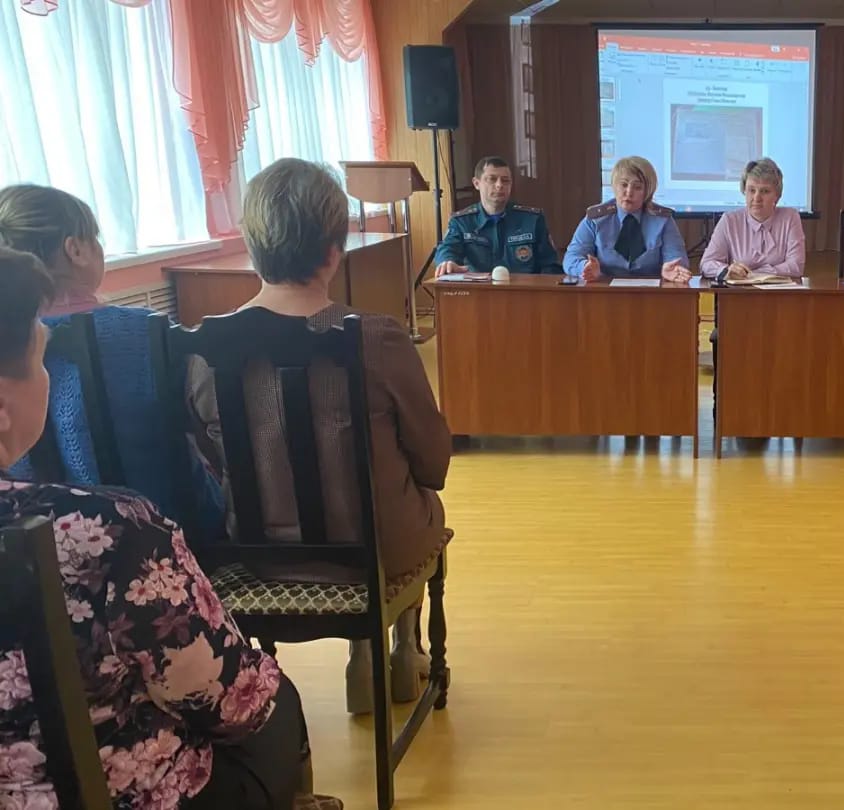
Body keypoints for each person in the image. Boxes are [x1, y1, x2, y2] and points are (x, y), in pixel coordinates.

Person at [0, 245, 309, 809]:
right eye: (42, 360)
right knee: (275, 702)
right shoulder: (109, 532)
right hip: (132, 793)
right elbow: (234, 703)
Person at [187, 159, 452, 714]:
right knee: (419, 499)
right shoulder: (377, 337)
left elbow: (209, 460)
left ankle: (367, 653)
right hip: (374, 554)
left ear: (250, 246)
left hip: (257, 558)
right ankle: (403, 647)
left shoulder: (204, 350)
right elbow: (433, 462)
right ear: (335, 252)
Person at [0, 184, 224, 538]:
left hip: (44, 539)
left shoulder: (11, 344)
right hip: (172, 527)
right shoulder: (147, 331)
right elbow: (209, 430)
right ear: (75, 249)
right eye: (95, 239)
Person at [563, 156, 690, 281]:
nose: (629, 192)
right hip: (605, 289)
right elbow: (571, 258)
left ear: (647, 192)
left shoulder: (663, 220)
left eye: (637, 187)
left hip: (650, 290)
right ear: (614, 186)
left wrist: (673, 269)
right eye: (624, 185)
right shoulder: (596, 219)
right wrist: (585, 267)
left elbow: (677, 258)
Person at [434, 156, 562, 275]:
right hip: (478, 290)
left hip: (523, 290)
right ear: (476, 183)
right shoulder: (461, 222)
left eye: (505, 180)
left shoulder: (532, 220)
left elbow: (550, 266)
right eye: (492, 179)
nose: (499, 185)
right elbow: (447, 249)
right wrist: (447, 261)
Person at [700, 157, 805, 280]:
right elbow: (706, 264)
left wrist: (753, 274)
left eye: (765, 191)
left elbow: (796, 266)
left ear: (777, 195)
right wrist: (725, 271)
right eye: (751, 190)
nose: (757, 198)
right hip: (739, 290)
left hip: (778, 291)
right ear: (744, 191)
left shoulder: (790, 217)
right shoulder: (729, 221)